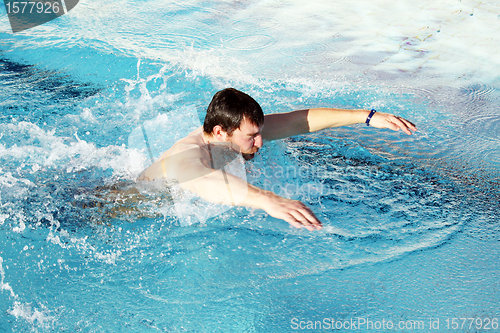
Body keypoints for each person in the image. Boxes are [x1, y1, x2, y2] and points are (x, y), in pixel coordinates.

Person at [138, 88, 417, 231]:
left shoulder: (232, 133)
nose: (260, 142)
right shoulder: (188, 154)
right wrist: (268, 199)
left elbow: (298, 121)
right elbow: (199, 179)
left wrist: (366, 117)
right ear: (221, 132)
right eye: (252, 137)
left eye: (259, 133)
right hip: (126, 206)